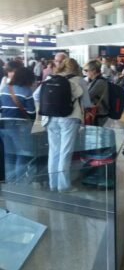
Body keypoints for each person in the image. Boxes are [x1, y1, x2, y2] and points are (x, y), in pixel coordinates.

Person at [33, 58, 85, 193]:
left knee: (54, 152)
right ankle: (64, 186)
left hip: (50, 118)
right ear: (76, 68)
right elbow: (87, 102)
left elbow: (36, 96)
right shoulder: (78, 80)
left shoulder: (49, 78)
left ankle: (53, 184)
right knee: (65, 152)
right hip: (69, 118)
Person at [0, 66, 36, 182]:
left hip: (4, 125)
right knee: (22, 154)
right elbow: (31, 112)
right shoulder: (26, 91)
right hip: (20, 127)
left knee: (9, 155)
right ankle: (19, 182)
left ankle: (10, 181)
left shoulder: (5, 88)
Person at [84, 60, 110, 126]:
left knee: (96, 134)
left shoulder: (99, 82)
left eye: (87, 70)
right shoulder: (95, 81)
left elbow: (88, 96)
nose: (85, 73)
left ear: (94, 71)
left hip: (99, 114)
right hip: (97, 113)